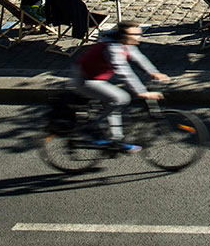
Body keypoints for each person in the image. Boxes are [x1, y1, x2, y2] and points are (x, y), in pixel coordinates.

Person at [71, 21, 170, 153]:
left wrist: (154, 72)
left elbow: (139, 58)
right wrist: (142, 92)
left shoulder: (124, 42)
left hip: (97, 78)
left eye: (139, 34)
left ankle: (113, 138)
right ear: (124, 35)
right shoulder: (113, 47)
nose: (137, 37)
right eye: (134, 35)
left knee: (116, 99)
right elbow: (124, 71)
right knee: (120, 98)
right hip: (86, 80)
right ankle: (96, 130)